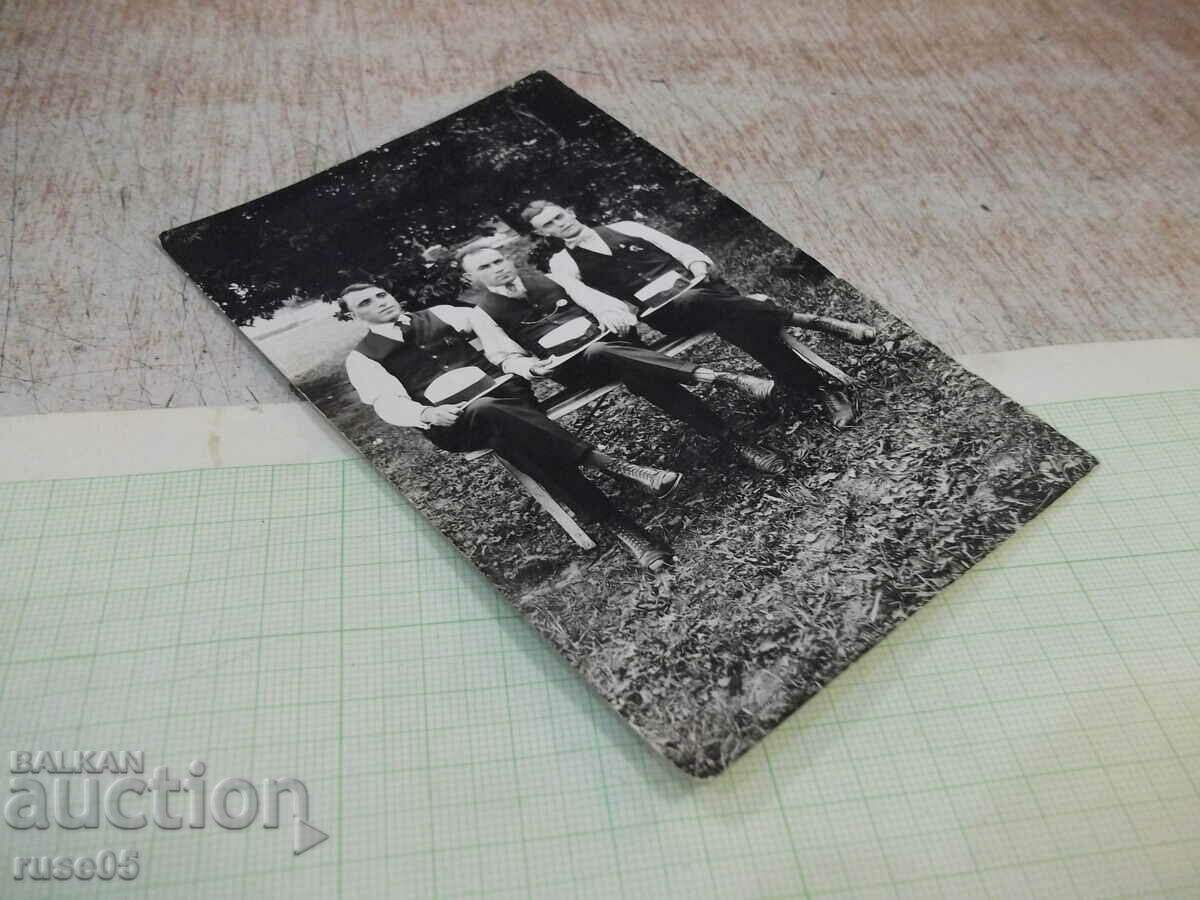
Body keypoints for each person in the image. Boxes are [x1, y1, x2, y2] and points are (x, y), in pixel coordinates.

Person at [339, 282, 678, 570]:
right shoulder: (363, 357)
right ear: (354, 317)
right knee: (491, 414)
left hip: (506, 396)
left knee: (512, 436)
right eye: (364, 304)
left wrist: (518, 364)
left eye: (380, 295)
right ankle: (613, 466)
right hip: (454, 421)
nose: (378, 303)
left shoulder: (445, 314)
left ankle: (624, 529)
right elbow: (385, 402)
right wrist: (426, 415)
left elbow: (498, 345)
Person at [520, 200, 876, 427]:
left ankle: (816, 388)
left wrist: (698, 267)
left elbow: (682, 250)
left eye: (558, 216)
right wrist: (621, 310)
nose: (558, 225)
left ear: (571, 210)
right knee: (705, 307)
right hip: (665, 312)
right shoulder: (563, 264)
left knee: (732, 320)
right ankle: (808, 321)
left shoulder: (626, 227)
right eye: (548, 226)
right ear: (541, 233)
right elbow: (592, 301)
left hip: (704, 289)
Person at [458, 244, 793, 474]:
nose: (497, 269)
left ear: (508, 260)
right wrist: (529, 367)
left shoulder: (551, 278)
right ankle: (720, 377)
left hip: (616, 346)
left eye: (498, 260)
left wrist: (609, 314)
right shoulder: (482, 313)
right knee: (608, 355)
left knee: (637, 371)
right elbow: (504, 357)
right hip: (576, 367)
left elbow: (604, 303)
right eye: (485, 268)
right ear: (473, 279)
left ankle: (732, 441)